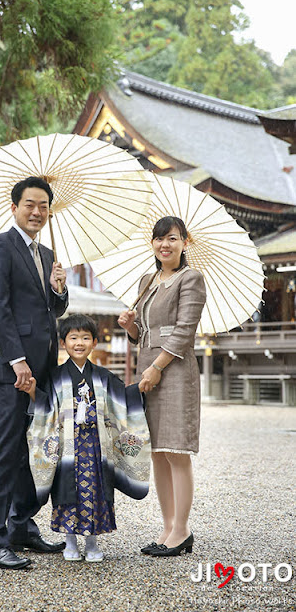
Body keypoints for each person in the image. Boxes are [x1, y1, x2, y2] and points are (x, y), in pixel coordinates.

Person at [0, 176, 69, 570]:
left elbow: (53, 312)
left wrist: (59, 290)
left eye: (44, 206)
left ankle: (20, 526)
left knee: (34, 453)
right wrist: (17, 362)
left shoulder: (47, 254)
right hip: (12, 368)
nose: (37, 212)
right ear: (14, 206)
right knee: (4, 450)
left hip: (46, 366)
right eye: (30, 204)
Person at [26, 314, 151, 562]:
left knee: (95, 490)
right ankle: (70, 542)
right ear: (63, 343)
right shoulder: (56, 375)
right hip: (66, 447)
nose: (79, 343)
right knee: (66, 490)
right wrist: (33, 392)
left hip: (95, 445)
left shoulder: (103, 376)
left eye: (85, 338)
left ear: (94, 342)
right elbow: (47, 407)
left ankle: (92, 543)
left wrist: (138, 389)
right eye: (73, 338)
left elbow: (122, 400)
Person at [118, 216, 206, 557]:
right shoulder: (147, 279)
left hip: (175, 371)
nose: (164, 245)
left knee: (176, 450)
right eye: (158, 239)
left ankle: (182, 530)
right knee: (156, 450)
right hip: (148, 371)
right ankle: (167, 526)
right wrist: (130, 327)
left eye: (171, 238)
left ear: (185, 242)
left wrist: (155, 368)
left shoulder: (191, 278)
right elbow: (144, 333)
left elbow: (184, 331)